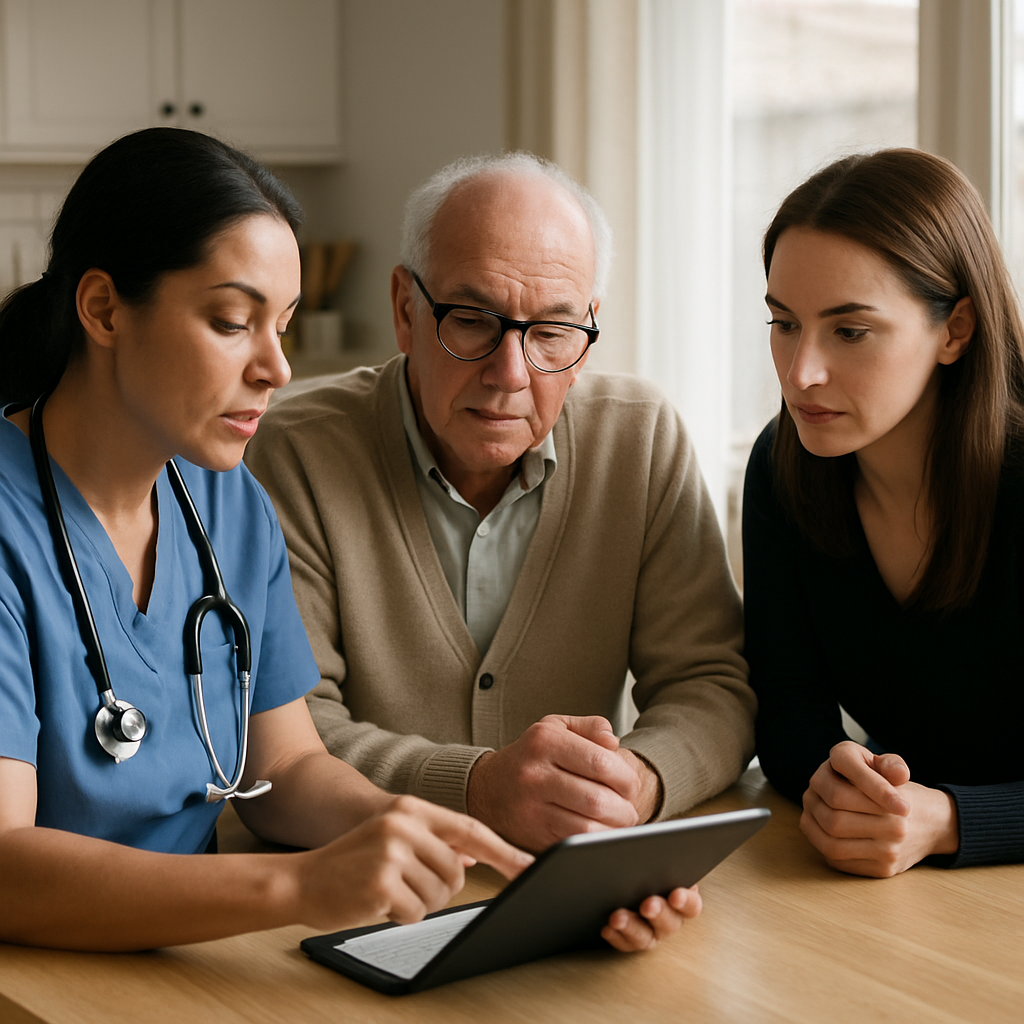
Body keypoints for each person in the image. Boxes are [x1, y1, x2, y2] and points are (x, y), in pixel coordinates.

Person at [0, 128, 687, 954]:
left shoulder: (225, 503)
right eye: (232, 320)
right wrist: (298, 884)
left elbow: (284, 772)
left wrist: (459, 842)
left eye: (283, 325)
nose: (277, 368)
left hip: (190, 959)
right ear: (103, 308)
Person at [245, 153, 755, 858]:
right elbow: (285, 732)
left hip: (562, 884)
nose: (511, 374)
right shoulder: (295, 452)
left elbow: (712, 683)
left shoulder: (639, 440)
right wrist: (476, 789)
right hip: (359, 881)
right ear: (405, 310)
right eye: (473, 321)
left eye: (551, 331)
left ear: (587, 332)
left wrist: (634, 782)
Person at [743, 148, 1024, 878]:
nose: (801, 373)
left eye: (850, 330)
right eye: (784, 324)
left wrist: (956, 820)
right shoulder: (785, 467)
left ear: (955, 330)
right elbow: (787, 705)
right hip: (893, 895)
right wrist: (837, 784)